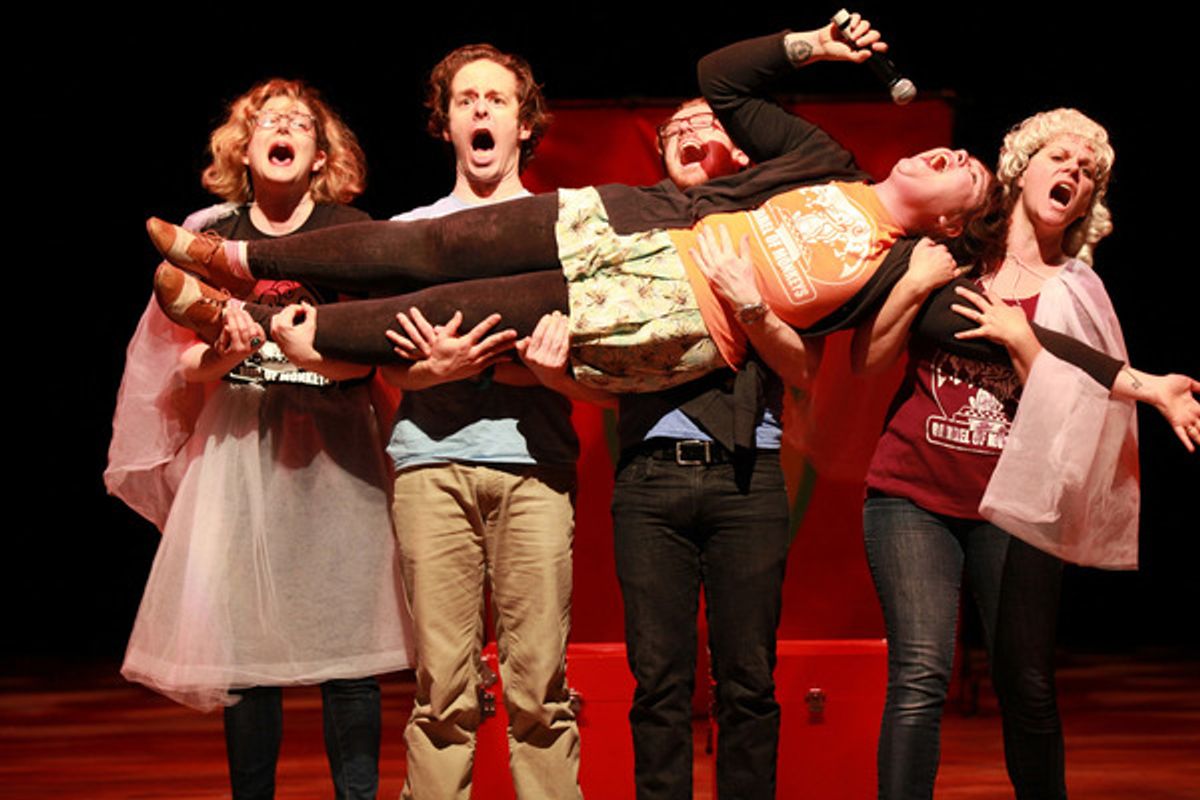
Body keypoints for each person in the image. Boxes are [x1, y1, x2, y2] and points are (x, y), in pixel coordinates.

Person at [147, 25, 994, 395]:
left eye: (972, 176)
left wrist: (919, 284)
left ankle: (255, 328)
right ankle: (236, 261)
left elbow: (867, 365)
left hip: (660, 305)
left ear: (954, 222)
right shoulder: (828, 162)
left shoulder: (897, 266)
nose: (955, 156)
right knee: (440, 244)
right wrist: (812, 47)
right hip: (634, 217)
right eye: (961, 150)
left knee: (454, 309)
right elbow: (722, 77)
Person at [853, 108, 1200, 799]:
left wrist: (1026, 341)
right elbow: (867, 360)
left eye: (1089, 171)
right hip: (911, 496)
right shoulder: (945, 254)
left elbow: (1082, 400)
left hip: (1017, 506)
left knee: (1027, 683)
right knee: (919, 675)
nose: (1074, 172)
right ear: (1022, 168)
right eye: (1062, 158)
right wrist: (917, 285)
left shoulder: (1078, 290)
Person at [605, 15, 887, 799]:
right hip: (651, 482)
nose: (694, 131)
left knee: (749, 683)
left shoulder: (779, 232)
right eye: (676, 130)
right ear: (659, 156)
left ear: (739, 149)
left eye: (709, 123)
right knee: (657, 686)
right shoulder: (632, 221)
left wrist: (752, 306)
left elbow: (804, 373)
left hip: (748, 480)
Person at [106, 79, 411, 800]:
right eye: (269, 121)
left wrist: (311, 354)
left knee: (347, 658)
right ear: (245, 149)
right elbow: (183, 365)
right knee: (246, 657)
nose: (284, 129)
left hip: (335, 447)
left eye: (300, 123)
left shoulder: (351, 228)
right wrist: (225, 348)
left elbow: (374, 354)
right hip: (242, 445)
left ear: (317, 155)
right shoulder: (214, 233)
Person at [296, 45, 582, 800]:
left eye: (497, 99)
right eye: (465, 101)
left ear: (525, 123)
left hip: (534, 468)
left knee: (539, 692)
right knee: (443, 691)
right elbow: (387, 364)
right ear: (446, 124)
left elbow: (594, 357)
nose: (481, 110)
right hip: (430, 467)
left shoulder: (565, 225)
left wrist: (507, 362)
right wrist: (430, 371)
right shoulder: (411, 232)